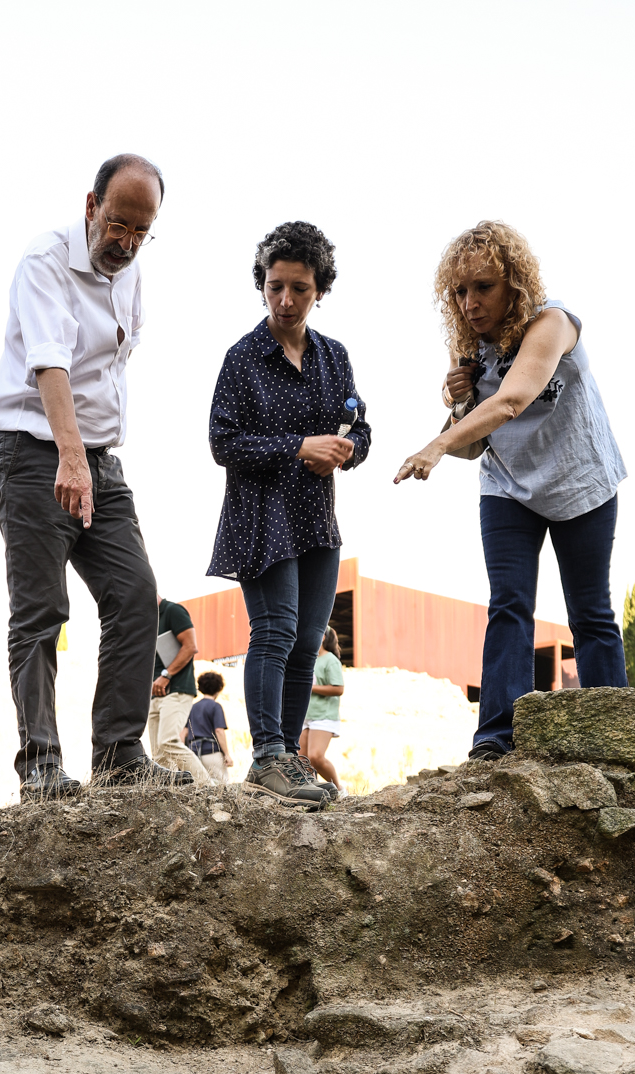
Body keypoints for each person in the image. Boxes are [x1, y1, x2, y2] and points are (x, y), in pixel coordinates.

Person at [0, 152, 193, 799]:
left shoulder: (131, 276)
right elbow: (51, 364)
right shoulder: (44, 261)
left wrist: (92, 458)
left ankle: (118, 754)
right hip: (31, 452)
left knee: (136, 596)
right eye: (117, 225)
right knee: (41, 610)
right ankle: (42, 765)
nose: (126, 243)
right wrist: (70, 457)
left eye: (141, 230)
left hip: (100, 459)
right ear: (90, 207)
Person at [394, 220, 627, 761]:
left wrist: (434, 443)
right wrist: (457, 403)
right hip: (507, 488)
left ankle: (614, 739)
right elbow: (476, 446)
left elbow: (513, 401)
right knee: (509, 605)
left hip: (580, 482)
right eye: (459, 291)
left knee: (590, 611)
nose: (470, 302)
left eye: (483, 287)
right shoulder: (468, 348)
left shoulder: (554, 323)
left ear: (514, 285)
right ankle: (496, 739)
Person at [208, 221, 370, 810]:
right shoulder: (242, 357)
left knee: (307, 644)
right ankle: (267, 757)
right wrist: (300, 446)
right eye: (275, 286)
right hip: (260, 517)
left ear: (319, 288)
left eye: (299, 288)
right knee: (273, 634)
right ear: (263, 285)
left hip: (316, 522)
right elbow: (223, 442)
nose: (285, 300)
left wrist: (348, 450)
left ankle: (292, 764)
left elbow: (362, 428)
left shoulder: (335, 358)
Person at [147, 595, 211, 785]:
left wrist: (166, 675)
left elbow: (190, 646)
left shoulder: (173, 611)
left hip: (176, 689)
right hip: (153, 694)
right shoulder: (148, 618)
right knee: (158, 754)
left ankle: (208, 788)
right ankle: (168, 796)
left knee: (168, 741)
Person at [300, 627, 345, 792]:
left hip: (324, 716)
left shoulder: (330, 660)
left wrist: (310, 688)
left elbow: (338, 688)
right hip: (304, 715)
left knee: (315, 757)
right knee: (302, 760)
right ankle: (314, 793)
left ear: (323, 637)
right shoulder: (307, 659)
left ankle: (339, 790)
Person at [184, 671, 234, 783]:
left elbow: (183, 733)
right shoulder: (215, 706)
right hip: (212, 753)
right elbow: (219, 731)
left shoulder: (192, 708)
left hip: (194, 754)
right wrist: (226, 754)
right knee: (221, 786)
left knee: (200, 786)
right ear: (219, 688)